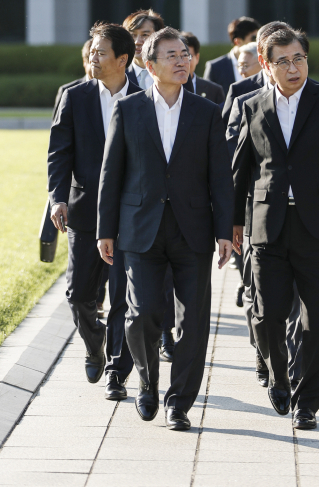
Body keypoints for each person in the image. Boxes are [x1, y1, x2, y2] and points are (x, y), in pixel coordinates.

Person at [232, 24, 319, 431]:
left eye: (299, 59)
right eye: (284, 61)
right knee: (266, 313)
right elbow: (242, 169)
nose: (293, 68)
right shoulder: (252, 104)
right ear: (265, 63)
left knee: (317, 317)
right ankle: (277, 376)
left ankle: (307, 402)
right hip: (267, 223)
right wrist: (233, 223)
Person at [97, 27, 234, 431]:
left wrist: (225, 230)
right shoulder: (129, 109)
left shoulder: (207, 111)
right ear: (149, 64)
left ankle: (179, 403)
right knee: (141, 315)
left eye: (185, 55)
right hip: (140, 229)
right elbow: (111, 173)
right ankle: (146, 380)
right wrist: (106, 229)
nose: (181, 61)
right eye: (171, 55)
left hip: (193, 231)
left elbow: (220, 178)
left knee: (193, 322)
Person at [48, 23, 141, 401]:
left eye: (101, 52)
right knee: (78, 294)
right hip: (85, 210)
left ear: (123, 59)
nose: (92, 57)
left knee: (123, 297)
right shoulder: (73, 96)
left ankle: (117, 373)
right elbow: (59, 152)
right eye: (91, 51)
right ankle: (94, 343)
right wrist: (57, 197)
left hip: (131, 214)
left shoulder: (147, 96)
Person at [203, 16, 260, 94]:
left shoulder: (260, 63)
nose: (257, 43)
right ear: (238, 41)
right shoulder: (215, 68)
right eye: (253, 39)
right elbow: (208, 101)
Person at [123, 9, 165, 91]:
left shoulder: (171, 73)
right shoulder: (118, 75)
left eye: (145, 35)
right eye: (133, 35)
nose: (137, 42)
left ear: (158, 37)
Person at [52, 39, 92, 122]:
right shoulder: (67, 91)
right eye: (92, 62)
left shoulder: (116, 89)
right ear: (84, 62)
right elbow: (57, 130)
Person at [181, 31, 225, 105]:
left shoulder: (214, 91)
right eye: (178, 56)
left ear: (197, 58)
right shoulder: (164, 89)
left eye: (187, 56)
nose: (182, 62)